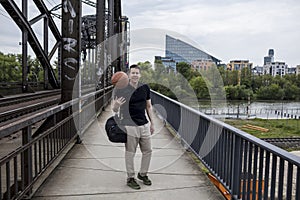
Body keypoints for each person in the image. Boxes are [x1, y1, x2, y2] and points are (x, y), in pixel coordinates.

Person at [112, 64, 154, 190]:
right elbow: (114, 109)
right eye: (133, 73)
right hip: (129, 125)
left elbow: (148, 106)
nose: (135, 75)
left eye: (137, 73)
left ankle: (143, 174)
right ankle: (130, 177)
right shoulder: (121, 88)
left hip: (144, 124)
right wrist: (117, 105)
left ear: (140, 75)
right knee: (130, 152)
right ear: (128, 75)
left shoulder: (145, 87)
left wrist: (152, 123)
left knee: (148, 151)